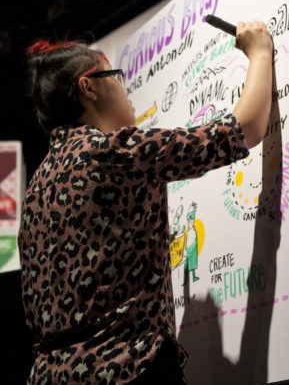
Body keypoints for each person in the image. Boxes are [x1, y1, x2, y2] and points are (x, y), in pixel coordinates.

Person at [19, 21, 274, 384]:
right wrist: (260, 52)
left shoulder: (36, 187)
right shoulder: (113, 151)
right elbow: (243, 130)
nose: (126, 88)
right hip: (124, 368)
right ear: (88, 87)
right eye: (116, 76)